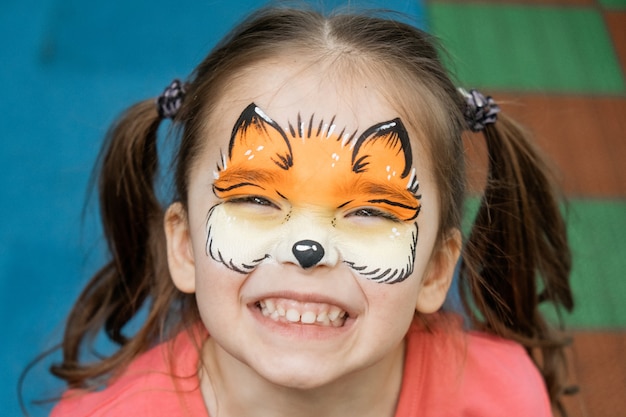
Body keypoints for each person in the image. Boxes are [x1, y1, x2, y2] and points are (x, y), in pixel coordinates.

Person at [49, 6, 574, 417]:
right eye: (255, 200)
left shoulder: (502, 398)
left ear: (436, 268)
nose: (308, 250)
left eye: (370, 211)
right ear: (184, 246)